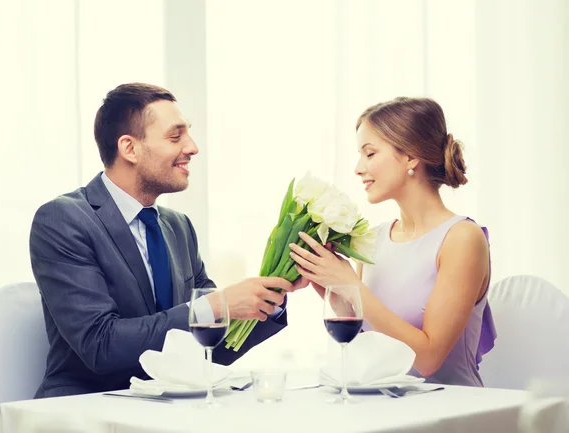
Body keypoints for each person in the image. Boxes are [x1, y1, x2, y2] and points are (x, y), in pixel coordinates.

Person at [30, 83, 302, 398]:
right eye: (176, 136)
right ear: (129, 148)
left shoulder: (179, 228)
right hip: (86, 407)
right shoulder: (63, 220)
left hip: (167, 407)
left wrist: (272, 297)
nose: (193, 147)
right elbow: (100, 345)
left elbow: (213, 348)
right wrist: (215, 305)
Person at [289, 97, 496, 386]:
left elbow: (427, 360)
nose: (358, 168)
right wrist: (333, 289)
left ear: (411, 157)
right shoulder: (374, 238)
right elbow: (370, 345)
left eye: (369, 154)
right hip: (390, 408)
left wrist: (353, 287)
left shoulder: (462, 238)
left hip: (453, 413)